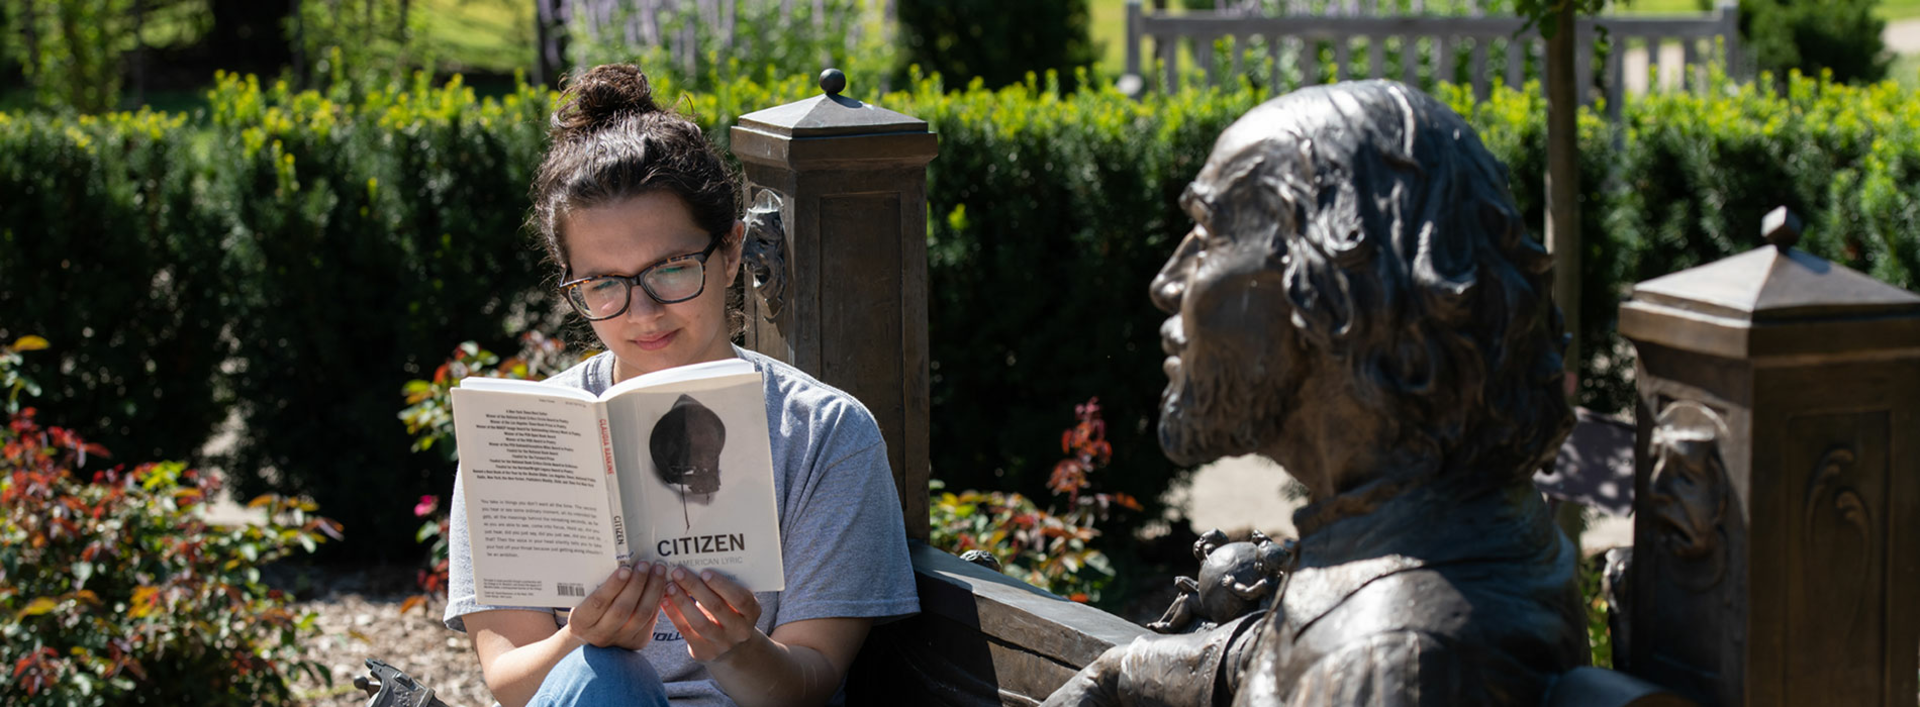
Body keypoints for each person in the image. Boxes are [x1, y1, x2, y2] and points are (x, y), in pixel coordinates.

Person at [1043, 80, 1587, 706]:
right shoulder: (1440, 527)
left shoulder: (1389, 669)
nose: (1168, 283)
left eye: (1209, 233)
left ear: (1329, 288)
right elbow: (1289, 637)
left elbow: (1353, 654)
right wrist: (1125, 669)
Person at [442, 63, 919, 707]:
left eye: (669, 269)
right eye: (603, 284)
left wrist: (736, 649)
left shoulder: (824, 432)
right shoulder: (516, 438)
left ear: (729, 253)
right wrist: (579, 640)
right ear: (572, 285)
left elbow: (810, 684)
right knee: (605, 675)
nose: (641, 313)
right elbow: (509, 682)